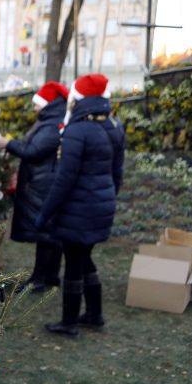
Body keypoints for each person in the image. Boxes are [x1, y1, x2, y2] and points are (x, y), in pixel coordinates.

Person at [36, 73, 124, 336]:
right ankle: (94, 315)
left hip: (78, 208)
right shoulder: (114, 126)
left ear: (78, 98)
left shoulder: (77, 130)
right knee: (85, 258)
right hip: (101, 204)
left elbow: (64, 179)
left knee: (74, 262)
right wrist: (107, 198)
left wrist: (45, 213)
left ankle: (69, 322)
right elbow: (117, 172)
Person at [0, 82, 68, 293]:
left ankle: (39, 279)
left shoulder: (52, 124)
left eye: (37, 103)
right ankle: (51, 277)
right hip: (43, 182)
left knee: (45, 234)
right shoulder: (50, 122)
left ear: (48, 104)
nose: (34, 107)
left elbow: (34, 151)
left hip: (42, 185)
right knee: (50, 234)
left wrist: (7, 143)